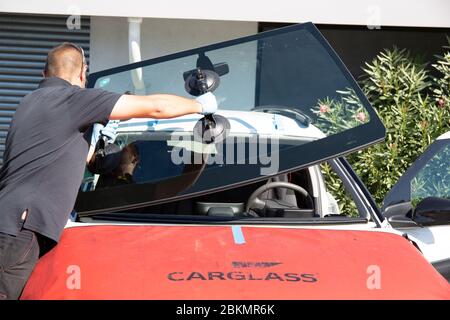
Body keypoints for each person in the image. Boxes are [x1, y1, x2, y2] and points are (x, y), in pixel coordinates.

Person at [0, 42, 218, 300]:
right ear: (83, 75)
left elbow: (70, 157)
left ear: (43, 75)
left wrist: (97, 147)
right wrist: (200, 106)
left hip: (10, 220)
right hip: (22, 227)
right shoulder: (74, 99)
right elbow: (155, 107)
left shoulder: (29, 101)